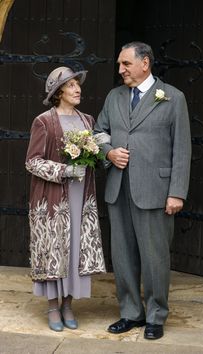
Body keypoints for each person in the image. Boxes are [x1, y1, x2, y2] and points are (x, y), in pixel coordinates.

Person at [94, 42, 191, 340]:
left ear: (144, 63)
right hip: (118, 189)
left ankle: (155, 316)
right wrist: (108, 152)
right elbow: (99, 131)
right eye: (120, 65)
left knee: (155, 258)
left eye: (125, 64)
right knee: (122, 256)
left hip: (157, 191)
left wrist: (177, 192)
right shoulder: (114, 96)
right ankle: (130, 313)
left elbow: (182, 149)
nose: (120, 69)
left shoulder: (173, 97)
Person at [25, 66, 106, 332]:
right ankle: (52, 307)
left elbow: (94, 154)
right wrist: (64, 170)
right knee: (53, 249)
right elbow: (32, 162)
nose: (78, 89)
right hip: (52, 199)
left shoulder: (88, 121)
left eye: (77, 85)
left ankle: (69, 304)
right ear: (59, 92)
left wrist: (102, 146)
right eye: (71, 86)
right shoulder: (43, 121)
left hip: (81, 196)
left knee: (75, 250)